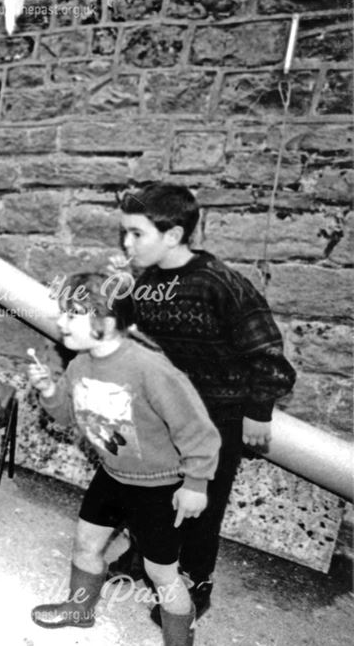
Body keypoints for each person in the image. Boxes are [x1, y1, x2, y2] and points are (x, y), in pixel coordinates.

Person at [117, 183, 296, 623]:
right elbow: (123, 336)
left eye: (137, 234)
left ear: (174, 235)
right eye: (125, 233)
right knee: (150, 495)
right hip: (164, 415)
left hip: (219, 419)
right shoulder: (144, 283)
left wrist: (257, 411)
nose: (127, 243)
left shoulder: (220, 283)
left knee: (201, 509)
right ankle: (143, 557)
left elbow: (269, 355)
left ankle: (195, 585)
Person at [28, 272, 220, 646]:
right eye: (63, 312)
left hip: (159, 485)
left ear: (108, 321)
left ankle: (179, 641)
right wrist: (51, 391)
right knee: (86, 543)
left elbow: (198, 431)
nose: (61, 321)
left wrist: (195, 484)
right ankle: (80, 609)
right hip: (113, 474)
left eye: (74, 313)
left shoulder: (151, 369)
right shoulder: (79, 365)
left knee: (160, 572)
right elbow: (68, 417)